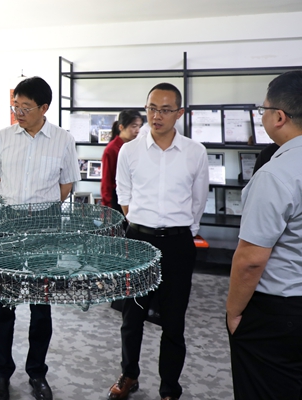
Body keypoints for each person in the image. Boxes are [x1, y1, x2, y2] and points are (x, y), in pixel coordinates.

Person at [0, 76, 81, 400]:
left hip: (45, 224)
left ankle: (37, 372)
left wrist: (39, 210)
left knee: (41, 303)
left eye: (26, 107)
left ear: (44, 108)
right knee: (5, 302)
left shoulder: (63, 139)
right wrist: (17, 206)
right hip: (9, 222)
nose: (18, 113)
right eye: (16, 107)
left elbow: (66, 186)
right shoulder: (3, 137)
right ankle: (2, 374)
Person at [109, 83, 209, 400]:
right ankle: (129, 375)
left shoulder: (195, 152)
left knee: (174, 320)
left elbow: (199, 200)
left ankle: (169, 388)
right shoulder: (129, 150)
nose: (157, 115)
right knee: (132, 317)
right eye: (152, 108)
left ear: (179, 113)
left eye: (166, 109)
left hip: (178, 244)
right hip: (139, 241)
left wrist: (182, 230)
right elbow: (124, 197)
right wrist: (143, 225)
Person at [226, 70, 302, 400]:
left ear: (279, 117)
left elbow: (251, 260)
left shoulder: (276, 173)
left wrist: (233, 313)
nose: (262, 116)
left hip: (279, 311)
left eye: (263, 109)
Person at [101, 110, 142, 213]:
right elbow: (106, 182)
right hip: (118, 200)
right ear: (121, 127)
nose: (137, 130)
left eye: (139, 126)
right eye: (134, 126)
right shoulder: (112, 149)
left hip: (135, 198)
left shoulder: (136, 146)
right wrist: (106, 209)